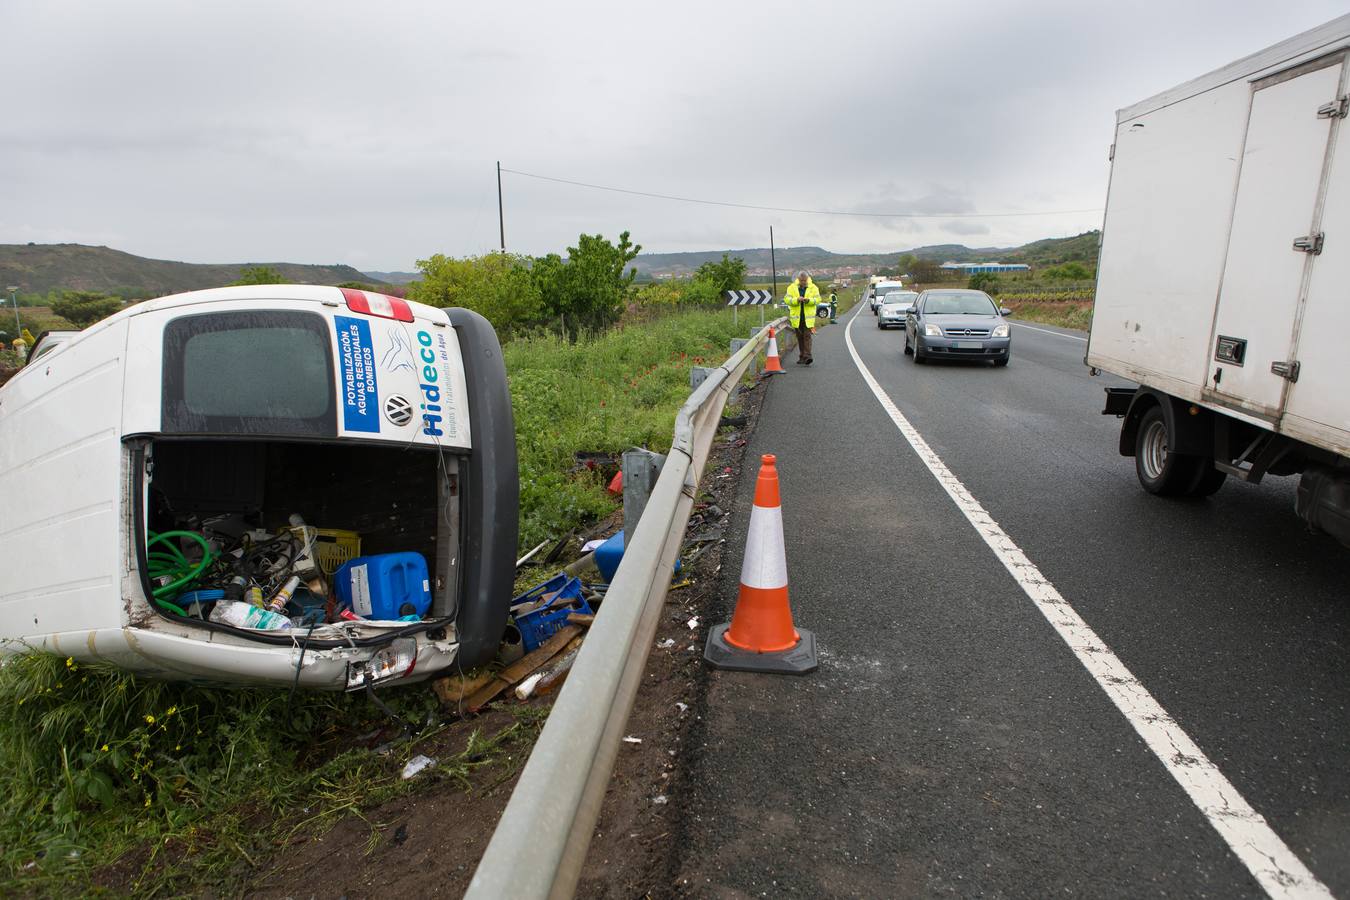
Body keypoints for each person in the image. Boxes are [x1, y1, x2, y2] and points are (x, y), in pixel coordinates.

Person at [783, 271, 820, 365]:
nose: (803, 282)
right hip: (797, 318)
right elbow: (787, 300)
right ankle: (802, 356)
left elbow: (818, 299)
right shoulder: (791, 288)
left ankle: (808, 356)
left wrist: (808, 300)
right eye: (801, 280)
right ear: (798, 279)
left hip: (808, 319)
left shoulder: (813, 287)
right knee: (800, 338)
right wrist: (796, 300)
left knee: (807, 336)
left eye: (804, 280)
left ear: (807, 279)